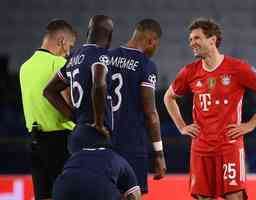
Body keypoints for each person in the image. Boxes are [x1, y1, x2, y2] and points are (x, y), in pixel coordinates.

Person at [164, 18, 256, 200]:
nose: (192, 44)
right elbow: (168, 97)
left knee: (234, 197)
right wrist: (181, 126)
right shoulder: (189, 71)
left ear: (212, 40)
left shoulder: (237, 68)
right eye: (190, 40)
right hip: (200, 148)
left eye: (196, 38)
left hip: (229, 147)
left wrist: (251, 124)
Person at [19, 19, 76, 200]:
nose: (69, 52)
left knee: (44, 196)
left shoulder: (24, 67)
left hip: (35, 143)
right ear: (61, 41)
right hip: (60, 141)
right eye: (70, 46)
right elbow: (70, 102)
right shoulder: (59, 63)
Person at [108, 19, 166, 194]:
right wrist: (159, 154)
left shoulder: (106, 57)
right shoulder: (146, 65)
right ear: (151, 41)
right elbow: (151, 114)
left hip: (104, 141)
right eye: (157, 45)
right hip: (132, 145)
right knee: (131, 195)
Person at [43, 15, 114, 153]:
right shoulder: (101, 55)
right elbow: (99, 84)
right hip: (96, 135)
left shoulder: (73, 58)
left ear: (88, 33)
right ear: (109, 37)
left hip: (78, 133)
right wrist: (98, 124)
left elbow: (49, 91)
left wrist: (73, 117)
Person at [52, 125, 142, 200]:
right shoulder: (117, 158)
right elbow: (134, 195)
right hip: (100, 189)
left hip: (63, 189)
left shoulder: (76, 156)